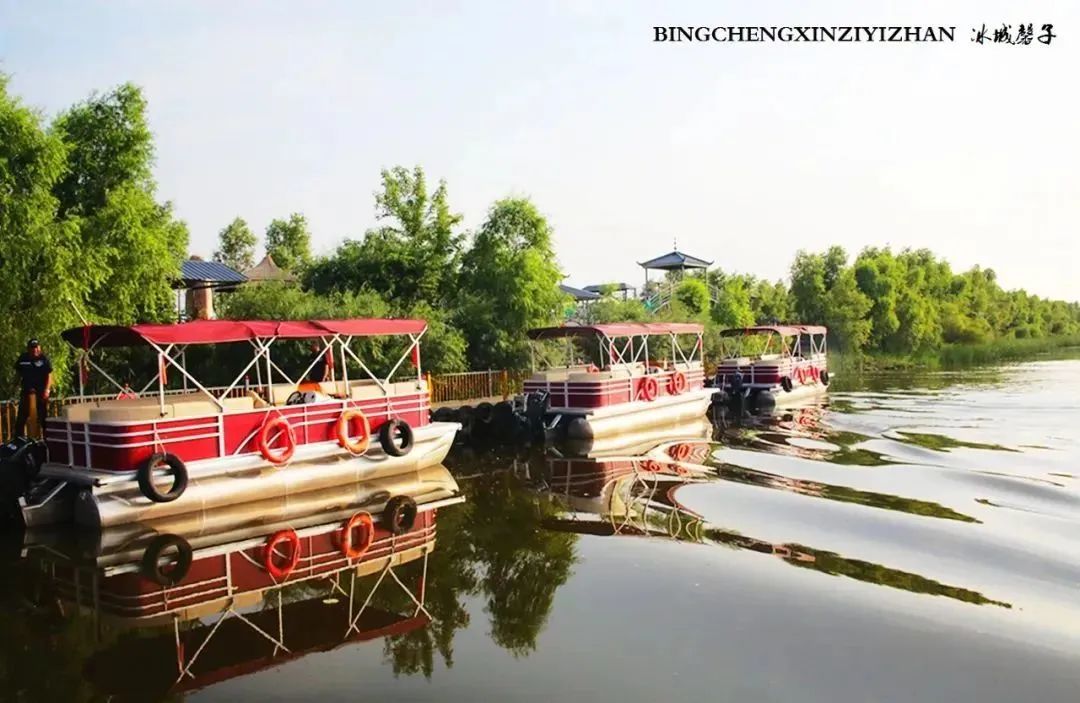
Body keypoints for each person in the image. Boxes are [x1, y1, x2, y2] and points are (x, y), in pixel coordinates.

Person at [14, 338, 52, 438]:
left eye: (36, 347)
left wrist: (47, 391)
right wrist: (14, 387)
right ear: (28, 349)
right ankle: (19, 441)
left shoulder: (44, 359)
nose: (34, 349)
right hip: (26, 393)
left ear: (39, 348)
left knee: (43, 420)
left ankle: (46, 441)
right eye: (32, 347)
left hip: (40, 395)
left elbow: (49, 376)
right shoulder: (23, 358)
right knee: (21, 420)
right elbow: (18, 374)